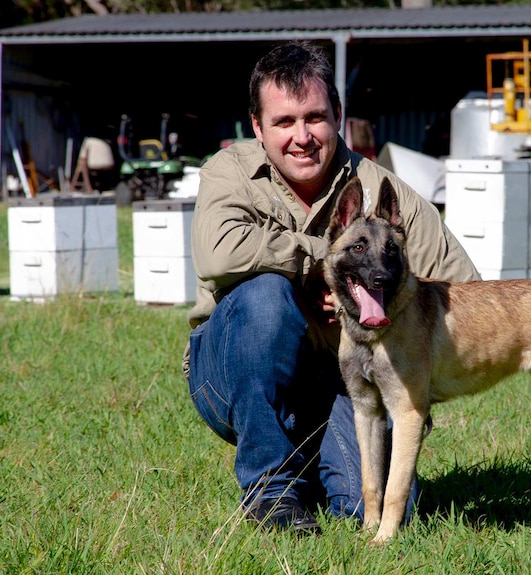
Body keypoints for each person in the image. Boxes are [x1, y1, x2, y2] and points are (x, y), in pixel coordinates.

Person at [183, 40, 479, 535]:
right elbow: (220, 255)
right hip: (233, 375)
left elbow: (465, 293)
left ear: (338, 115)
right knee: (264, 298)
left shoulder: (388, 194)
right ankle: (272, 492)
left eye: (315, 117)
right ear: (257, 126)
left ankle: (314, 459)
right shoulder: (229, 173)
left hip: (353, 379)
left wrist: (384, 298)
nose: (302, 136)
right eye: (283, 122)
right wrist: (327, 267)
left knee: (390, 515)